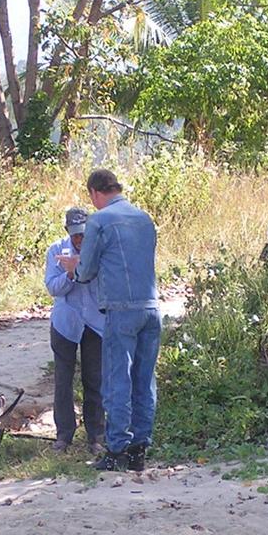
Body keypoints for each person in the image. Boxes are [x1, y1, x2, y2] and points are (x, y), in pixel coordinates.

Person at [57, 169, 160, 472]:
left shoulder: (99, 220)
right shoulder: (143, 218)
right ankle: (139, 449)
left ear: (94, 193)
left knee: (117, 379)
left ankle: (116, 449)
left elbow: (86, 271)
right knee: (145, 380)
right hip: (151, 306)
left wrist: (74, 265)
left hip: (120, 308)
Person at [45, 207, 105, 453]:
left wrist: (83, 266)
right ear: (67, 232)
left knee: (95, 379)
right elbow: (52, 287)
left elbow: (106, 282)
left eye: (83, 234)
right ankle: (64, 436)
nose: (80, 240)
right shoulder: (56, 251)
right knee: (63, 380)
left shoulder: (100, 250)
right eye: (75, 235)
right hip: (65, 323)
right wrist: (70, 274)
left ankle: (97, 435)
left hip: (94, 323)